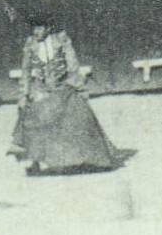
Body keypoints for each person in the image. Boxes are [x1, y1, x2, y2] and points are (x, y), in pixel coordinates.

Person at [9, 17, 121, 174]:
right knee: (33, 119)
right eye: (34, 29)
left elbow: (72, 64)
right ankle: (35, 161)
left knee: (81, 119)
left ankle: (94, 159)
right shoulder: (31, 44)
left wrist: (80, 88)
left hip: (63, 87)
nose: (36, 32)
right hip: (42, 88)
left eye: (40, 28)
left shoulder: (61, 40)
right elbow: (25, 71)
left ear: (48, 28)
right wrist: (24, 94)